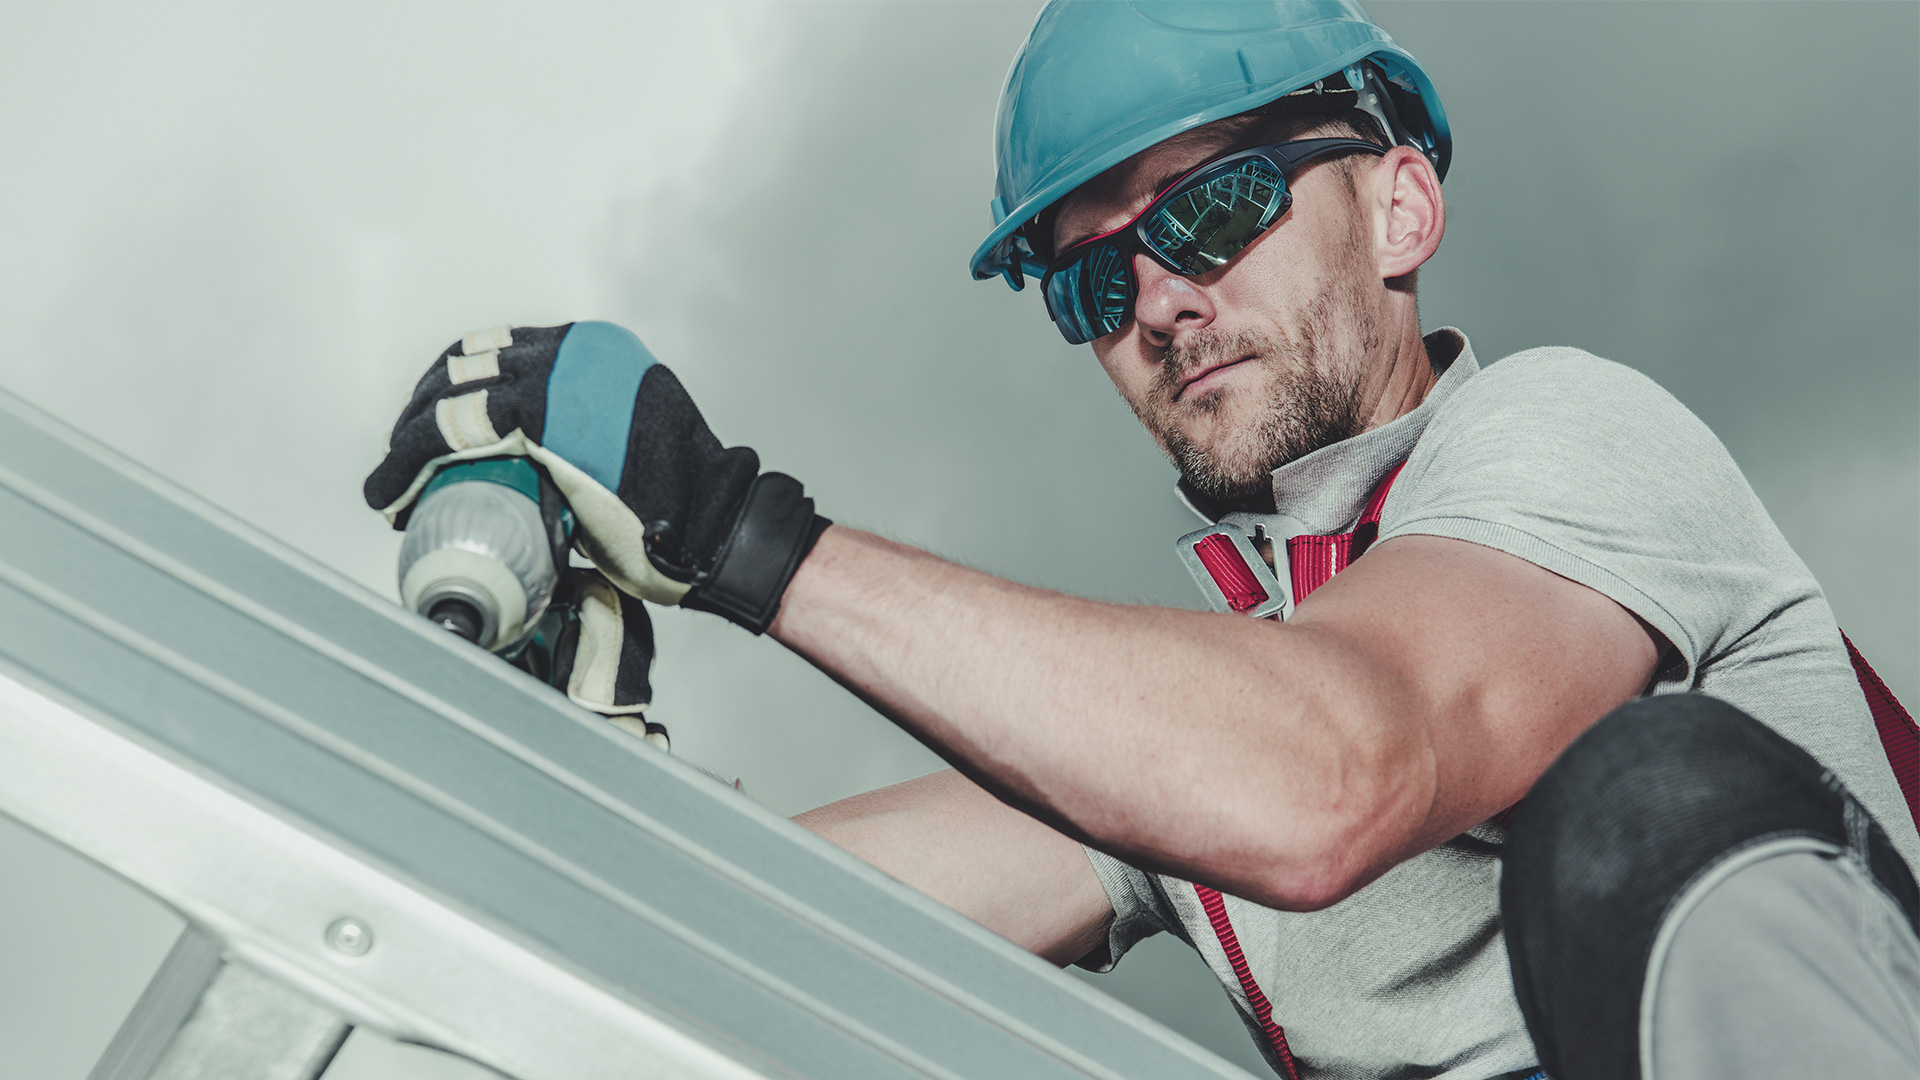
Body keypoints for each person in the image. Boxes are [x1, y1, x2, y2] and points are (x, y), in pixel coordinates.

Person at [364, 3, 1920, 1078]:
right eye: (1094, 281)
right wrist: (562, 759)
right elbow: (749, 926)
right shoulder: (1205, 739)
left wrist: (739, 534)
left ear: (1399, 212)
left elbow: (1333, 771)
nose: (1160, 300)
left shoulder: (1573, 438)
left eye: (1207, 211)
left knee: (1638, 801)